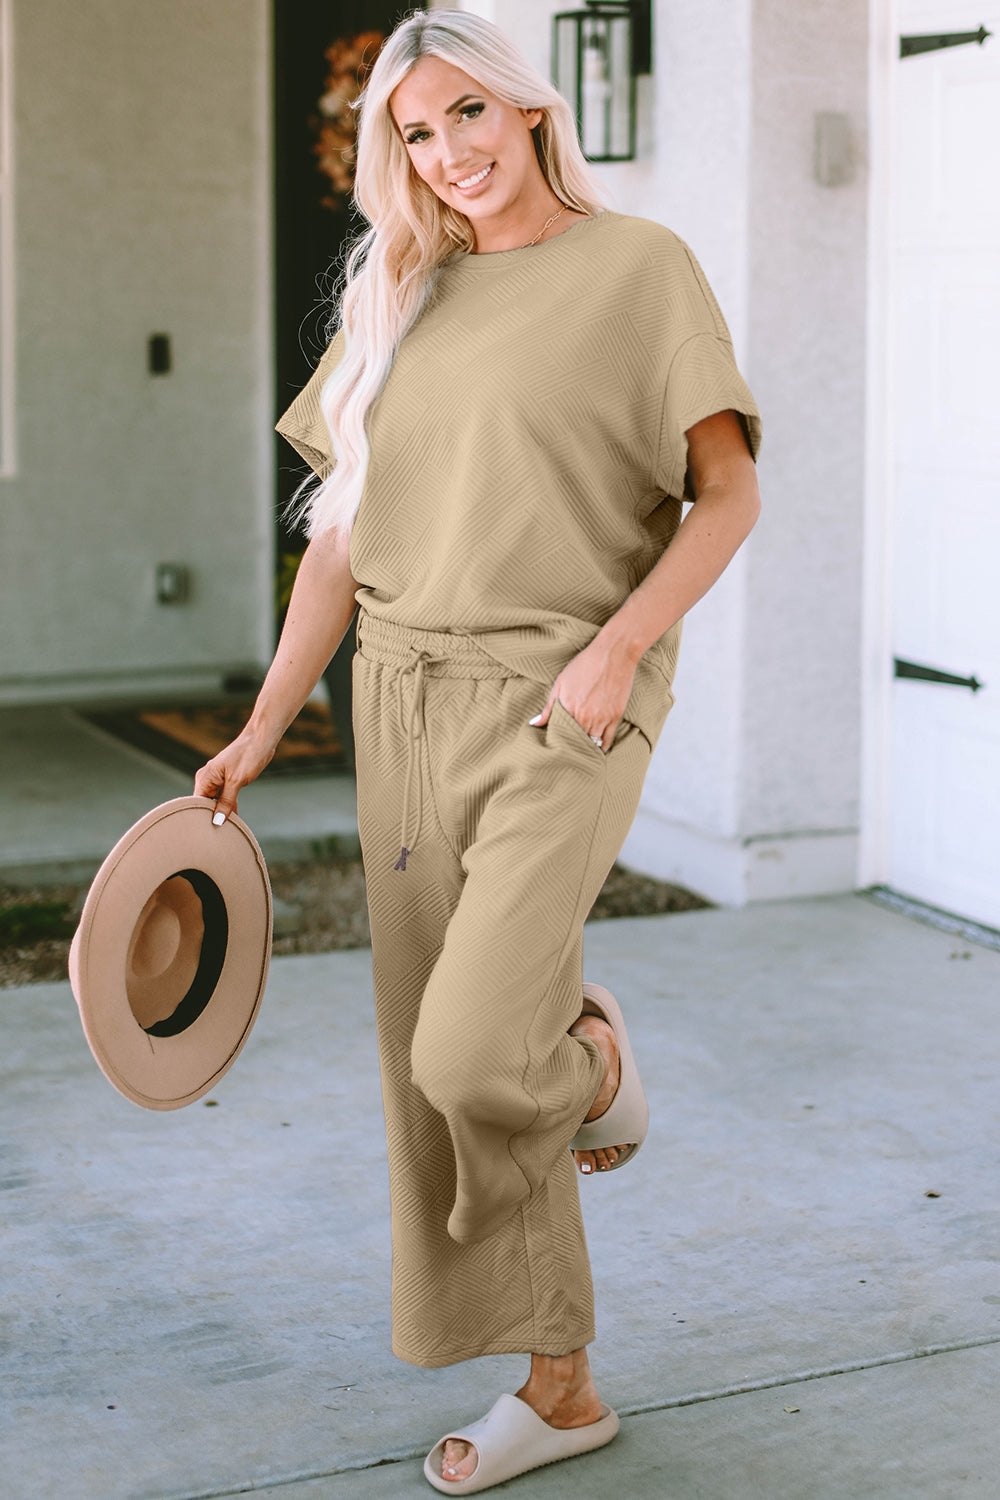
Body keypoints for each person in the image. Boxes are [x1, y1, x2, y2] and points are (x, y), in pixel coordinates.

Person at [194, 9, 761, 1494]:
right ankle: (560, 1388)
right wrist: (262, 731)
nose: (449, 154)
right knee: (427, 1071)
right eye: (416, 134)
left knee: (477, 1049)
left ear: (527, 106)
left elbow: (727, 495)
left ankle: (587, 1065)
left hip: (563, 699)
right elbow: (335, 551)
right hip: (398, 703)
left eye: (465, 115)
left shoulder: (640, 270)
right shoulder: (399, 293)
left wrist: (619, 649)